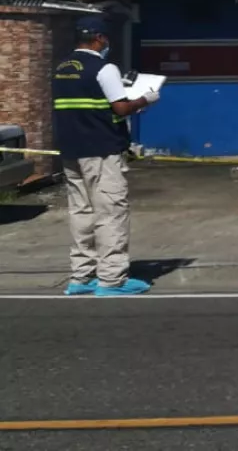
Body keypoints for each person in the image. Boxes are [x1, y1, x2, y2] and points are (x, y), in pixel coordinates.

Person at [52, 16, 160, 297]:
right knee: (110, 212)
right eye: (106, 39)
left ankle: (82, 276)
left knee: (81, 212)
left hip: (71, 151)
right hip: (100, 150)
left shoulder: (62, 68)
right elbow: (121, 109)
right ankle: (112, 280)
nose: (107, 43)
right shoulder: (104, 68)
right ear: (99, 38)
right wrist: (145, 99)